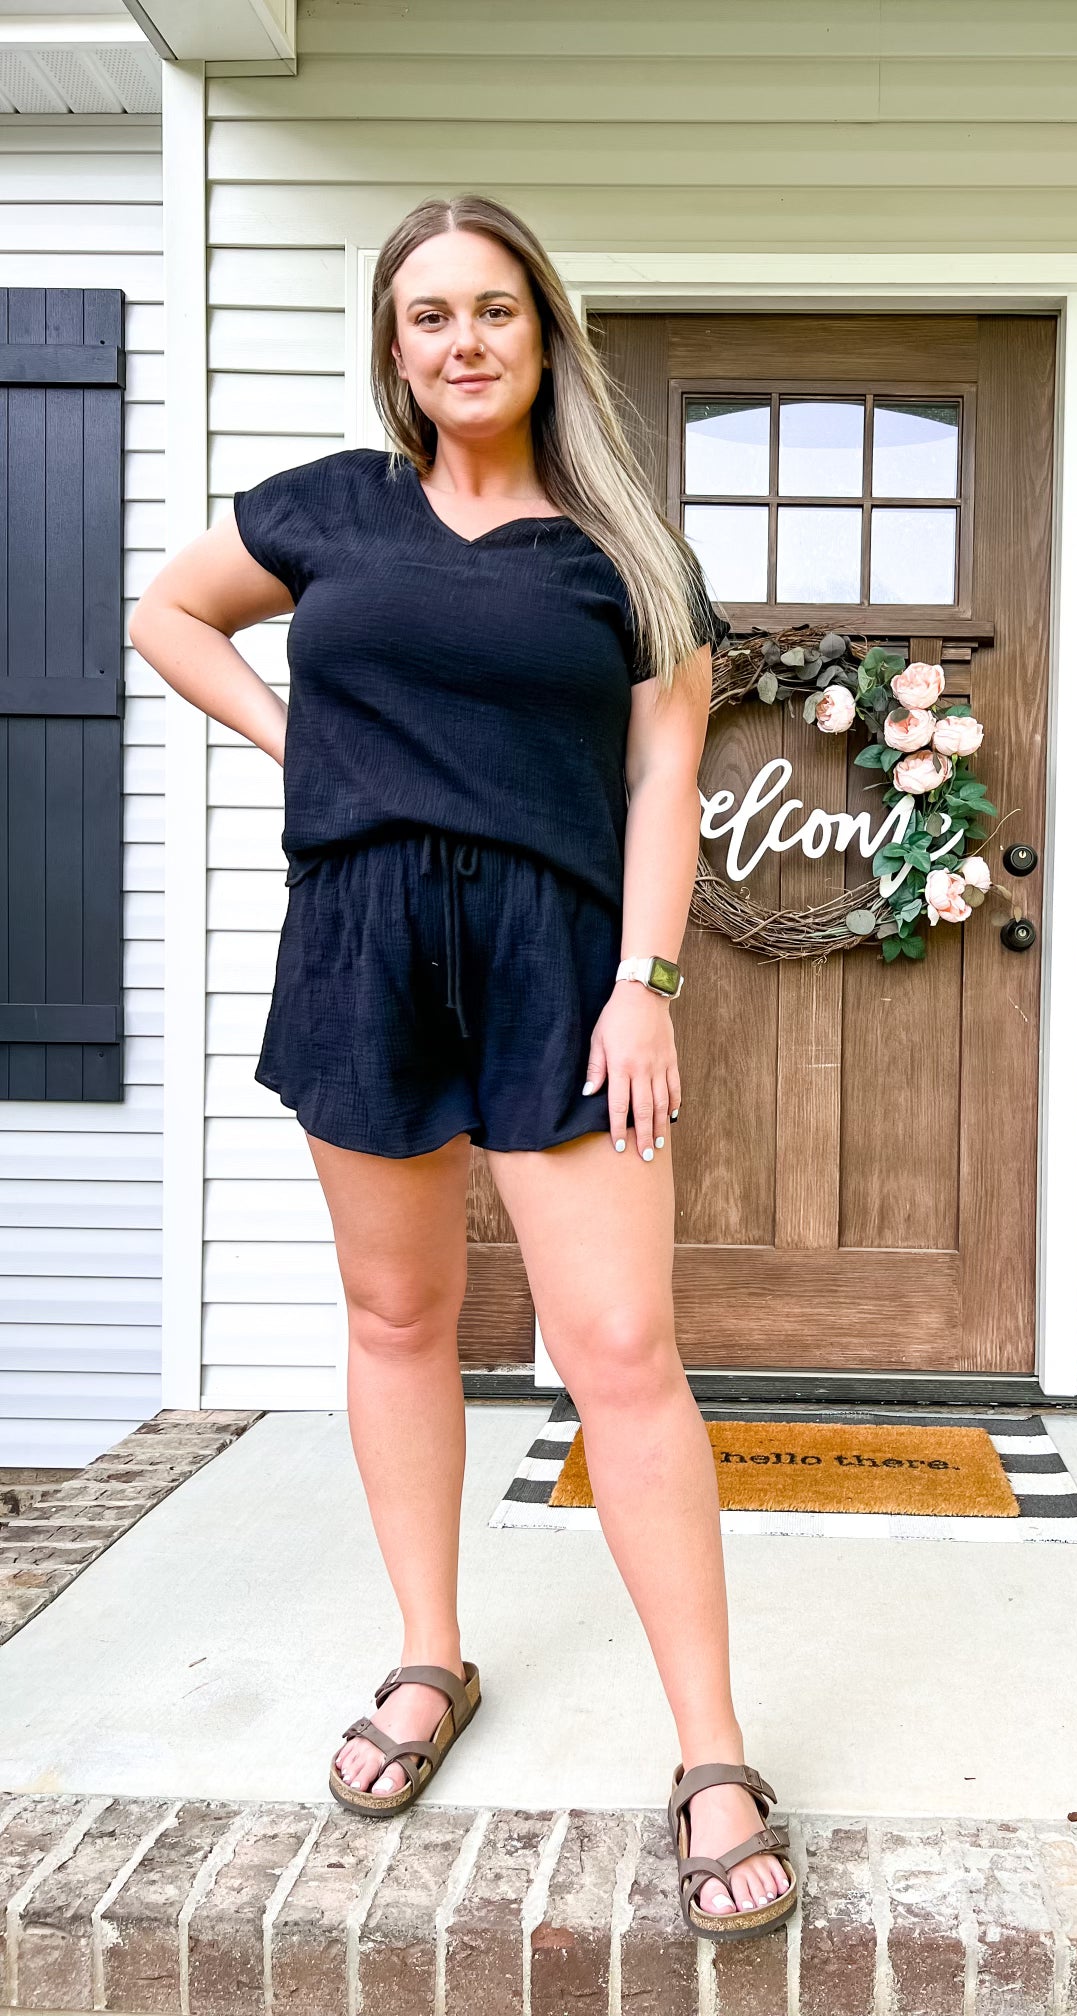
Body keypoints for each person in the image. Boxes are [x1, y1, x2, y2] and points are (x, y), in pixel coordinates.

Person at [128, 193, 796, 1942]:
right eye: (429, 315)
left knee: (622, 1351)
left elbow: (665, 781)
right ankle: (430, 1655)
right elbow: (169, 615)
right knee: (396, 1317)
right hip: (360, 940)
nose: (464, 340)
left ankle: (713, 1751)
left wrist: (646, 982)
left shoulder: (623, 551)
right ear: (396, 347)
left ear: (543, 331)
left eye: (494, 308)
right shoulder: (330, 509)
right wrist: (298, 740)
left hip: (558, 962)